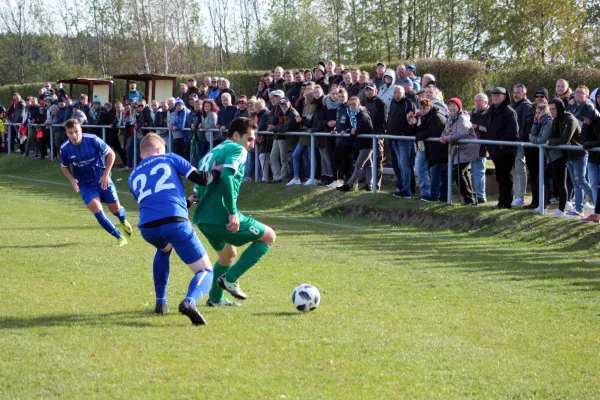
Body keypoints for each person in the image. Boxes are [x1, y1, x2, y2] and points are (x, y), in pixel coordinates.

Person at [128, 133, 220, 324]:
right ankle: (189, 301)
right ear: (160, 149)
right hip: (175, 223)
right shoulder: (169, 157)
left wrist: (185, 202)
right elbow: (201, 179)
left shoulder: (133, 175)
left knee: (164, 248)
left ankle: (161, 302)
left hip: (147, 227)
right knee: (205, 271)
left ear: (142, 153)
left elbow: (154, 200)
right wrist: (217, 172)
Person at [192, 117, 277, 306]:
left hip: (203, 218)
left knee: (227, 254)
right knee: (269, 236)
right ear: (237, 135)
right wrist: (232, 212)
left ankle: (215, 299)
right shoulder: (237, 149)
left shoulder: (211, 152)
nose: (252, 144)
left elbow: (198, 188)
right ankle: (230, 279)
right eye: (249, 138)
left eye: (254, 140)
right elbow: (227, 178)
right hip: (220, 214)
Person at [59, 119, 132, 246]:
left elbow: (111, 154)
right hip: (85, 184)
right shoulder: (65, 149)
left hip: (101, 179)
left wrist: (106, 174)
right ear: (66, 133)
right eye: (70, 133)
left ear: (81, 130)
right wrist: (71, 179)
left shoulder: (92, 139)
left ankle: (123, 219)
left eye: (76, 131)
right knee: (98, 212)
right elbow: (64, 166)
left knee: (115, 209)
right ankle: (119, 237)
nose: (74, 135)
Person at [439, 98, 478, 205]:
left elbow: (463, 133)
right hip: (459, 149)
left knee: (458, 173)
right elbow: (445, 131)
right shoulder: (450, 119)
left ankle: (469, 198)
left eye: (454, 105)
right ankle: (471, 199)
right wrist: (442, 137)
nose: (451, 107)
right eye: (450, 105)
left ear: (459, 107)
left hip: (467, 148)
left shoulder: (462, 118)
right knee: (462, 173)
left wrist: (448, 138)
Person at [486, 87, 519, 209]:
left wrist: (501, 143)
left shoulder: (509, 112)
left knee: (505, 176)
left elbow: (513, 132)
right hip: (495, 150)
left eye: (498, 95)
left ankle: (506, 202)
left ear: (504, 97)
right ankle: (502, 201)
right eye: (493, 95)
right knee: (500, 176)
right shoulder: (491, 110)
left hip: (506, 150)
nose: (495, 97)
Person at [546, 99, 579, 217]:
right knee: (545, 176)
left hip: (578, 154)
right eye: (550, 109)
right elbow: (551, 136)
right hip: (564, 154)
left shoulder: (569, 119)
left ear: (559, 108)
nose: (551, 112)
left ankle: (564, 209)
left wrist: (552, 141)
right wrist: (552, 141)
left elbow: (564, 139)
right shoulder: (556, 120)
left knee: (579, 182)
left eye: (553, 109)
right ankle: (545, 205)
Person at [337, 96, 375, 192]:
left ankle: (349, 185)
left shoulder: (362, 114)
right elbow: (352, 128)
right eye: (350, 104)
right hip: (361, 143)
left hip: (367, 143)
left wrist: (355, 131)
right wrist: (350, 130)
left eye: (354, 104)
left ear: (358, 104)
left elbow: (364, 128)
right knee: (368, 164)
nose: (352, 105)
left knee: (358, 165)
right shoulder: (352, 115)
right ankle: (369, 185)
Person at [529, 103, 556, 214]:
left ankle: (548, 204)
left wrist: (533, 139)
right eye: (536, 112)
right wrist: (535, 123)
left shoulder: (548, 122)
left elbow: (542, 139)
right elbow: (533, 134)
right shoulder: (540, 122)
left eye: (539, 113)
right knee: (543, 178)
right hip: (548, 155)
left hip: (554, 156)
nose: (537, 115)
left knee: (556, 180)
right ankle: (543, 205)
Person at [510, 84, 533, 207]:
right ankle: (516, 195)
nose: (515, 94)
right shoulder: (513, 105)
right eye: (514, 92)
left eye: (518, 92)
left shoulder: (526, 106)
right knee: (514, 169)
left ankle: (520, 196)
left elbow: (524, 125)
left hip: (520, 142)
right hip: (512, 142)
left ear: (524, 93)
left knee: (520, 167)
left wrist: (519, 138)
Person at [470, 93, 489, 204]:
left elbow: (489, 129)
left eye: (479, 101)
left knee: (479, 171)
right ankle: (476, 194)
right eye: (475, 100)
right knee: (474, 171)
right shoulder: (474, 112)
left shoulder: (490, 113)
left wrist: (477, 127)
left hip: (483, 146)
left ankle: (481, 196)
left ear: (485, 102)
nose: (476, 103)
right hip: (472, 145)